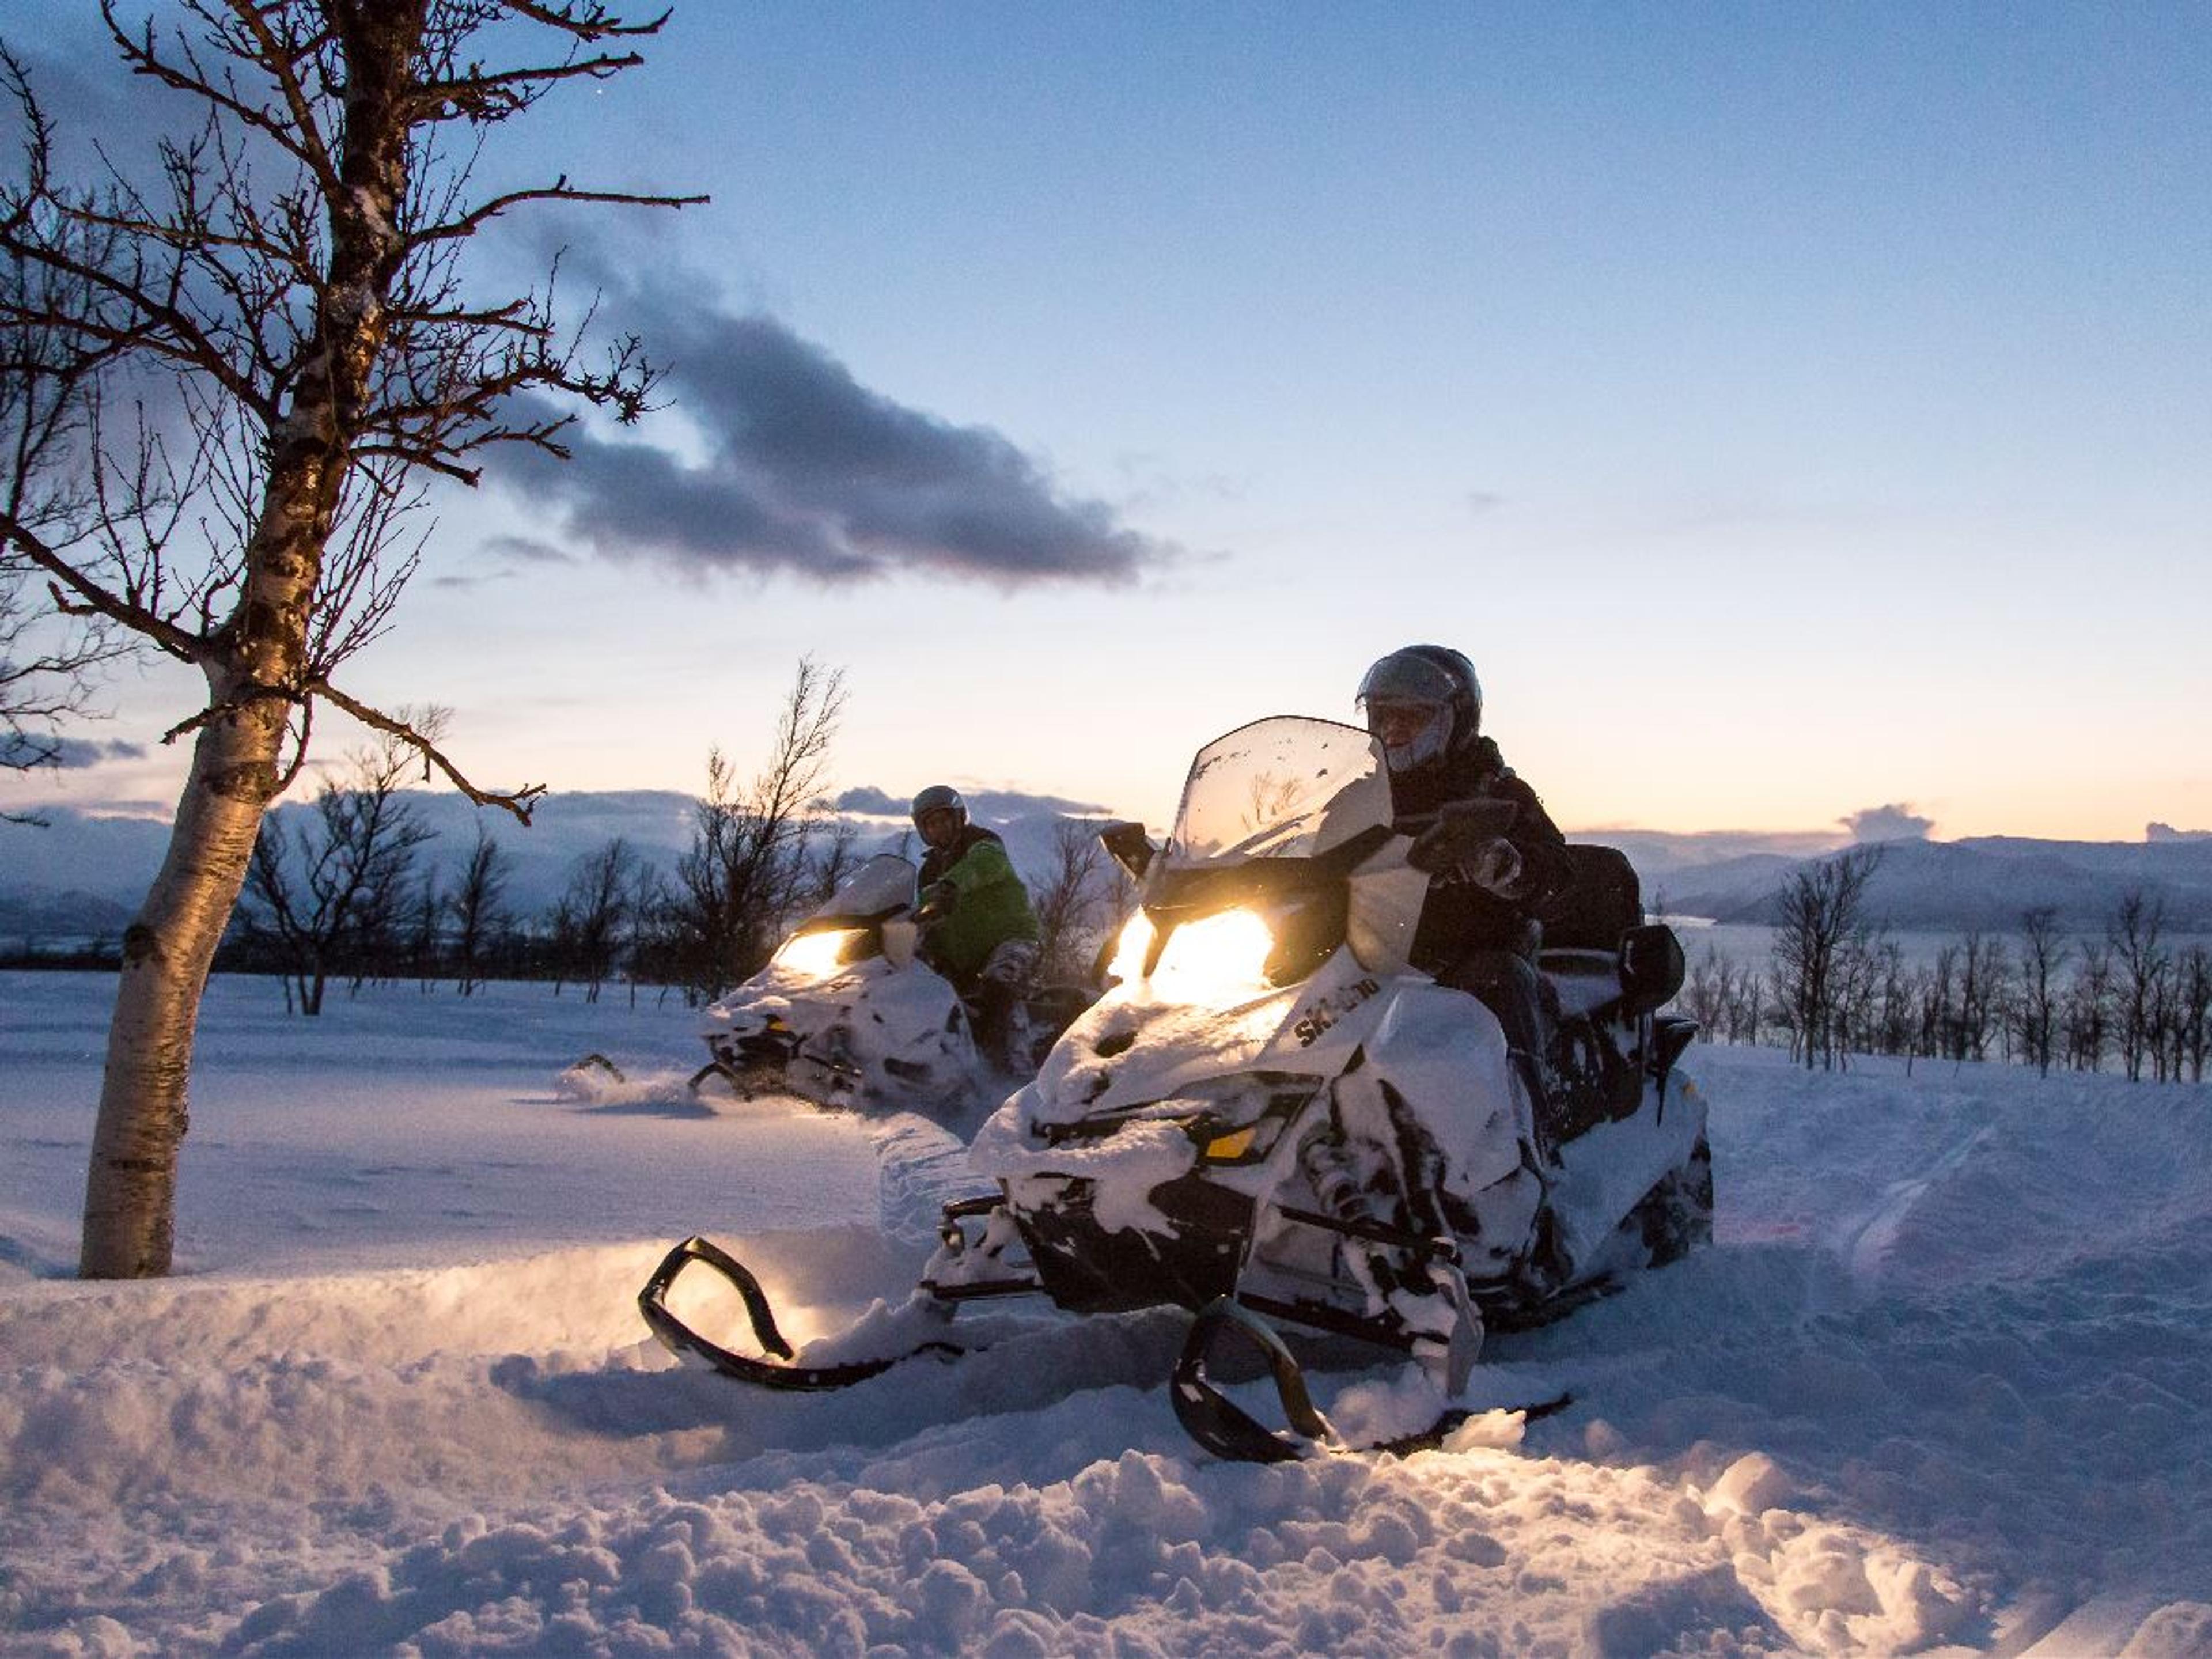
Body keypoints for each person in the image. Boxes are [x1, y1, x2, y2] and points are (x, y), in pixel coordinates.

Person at [1356, 644, 1573, 1101]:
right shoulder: (1357, 798)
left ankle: (1524, 1135)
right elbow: (1304, 848)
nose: (1393, 731)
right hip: (1370, 955)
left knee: (1499, 979)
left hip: (1468, 957)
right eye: (1383, 717)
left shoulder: (1498, 791)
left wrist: (1511, 866)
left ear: (1454, 721)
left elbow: (1559, 871)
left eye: (1411, 718)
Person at [908, 785, 1043, 1070]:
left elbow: (986, 865)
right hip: (963, 960)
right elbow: (924, 912)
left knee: (998, 986)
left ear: (958, 818)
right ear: (923, 831)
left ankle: (1008, 1071)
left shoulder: (982, 844)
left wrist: (951, 886)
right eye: (930, 824)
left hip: (1011, 939)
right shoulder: (928, 872)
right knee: (920, 995)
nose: (938, 829)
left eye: (943, 820)